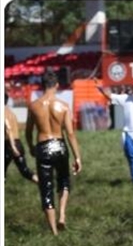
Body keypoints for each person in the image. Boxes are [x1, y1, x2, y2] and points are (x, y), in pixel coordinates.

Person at [26, 70, 82, 235]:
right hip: (60, 145)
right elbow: (70, 133)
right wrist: (77, 157)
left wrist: (30, 147)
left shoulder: (34, 106)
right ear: (57, 85)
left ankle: (54, 233)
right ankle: (62, 215)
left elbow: (28, 132)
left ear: (42, 85)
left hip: (43, 146)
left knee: (46, 188)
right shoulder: (63, 106)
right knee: (64, 180)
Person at [100, 81, 133, 185]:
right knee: (132, 158)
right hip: (129, 135)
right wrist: (101, 86)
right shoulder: (126, 99)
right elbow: (109, 95)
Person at [5, 96, 37, 183]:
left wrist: (12, 147)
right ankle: (42, 183)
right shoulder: (11, 113)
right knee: (25, 170)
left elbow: (8, 129)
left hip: (8, 145)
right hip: (18, 143)